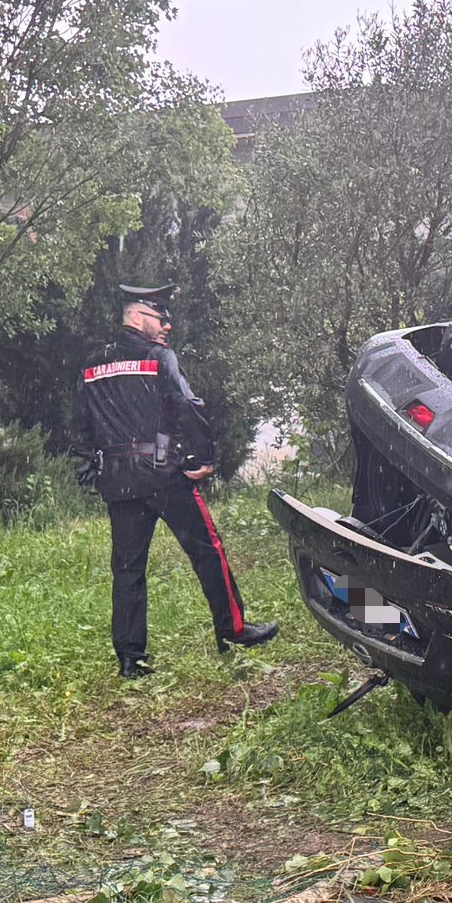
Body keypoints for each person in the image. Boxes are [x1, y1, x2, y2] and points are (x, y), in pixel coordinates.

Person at [78, 284, 277, 679]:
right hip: (165, 475)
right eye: (159, 316)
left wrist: (93, 471)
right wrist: (203, 458)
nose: (167, 324)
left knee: (128, 569)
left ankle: (131, 659)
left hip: (119, 482)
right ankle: (232, 631)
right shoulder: (158, 357)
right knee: (208, 551)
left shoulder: (91, 365)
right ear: (136, 318)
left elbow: (80, 424)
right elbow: (187, 406)